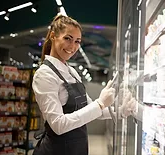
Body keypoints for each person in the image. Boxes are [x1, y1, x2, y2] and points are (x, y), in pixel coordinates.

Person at [32, 14, 136, 155]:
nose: (73, 46)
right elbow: (58, 125)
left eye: (77, 41)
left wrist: (119, 112)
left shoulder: (72, 71)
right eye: (68, 38)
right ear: (53, 36)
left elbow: (90, 109)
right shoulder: (44, 75)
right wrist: (100, 103)